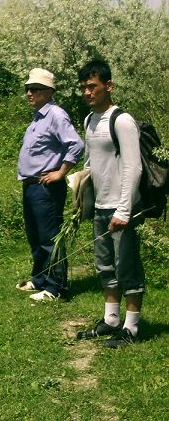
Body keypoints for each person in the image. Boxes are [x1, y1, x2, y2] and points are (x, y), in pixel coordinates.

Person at [76, 59, 145, 348]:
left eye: (92, 86)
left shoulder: (122, 120)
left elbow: (134, 168)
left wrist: (124, 211)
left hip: (121, 209)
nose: (87, 93)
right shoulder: (89, 121)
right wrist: (84, 200)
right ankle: (111, 320)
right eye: (83, 88)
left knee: (126, 266)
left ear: (109, 86)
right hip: (101, 207)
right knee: (105, 266)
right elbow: (91, 165)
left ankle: (132, 328)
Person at [16, 68, 84, 301]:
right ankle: (40, 279)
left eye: (35, 89)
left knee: (49, 237)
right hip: (32, 185)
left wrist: (61, 172)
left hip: (46, 187)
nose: (29, 93)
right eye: (28, 89)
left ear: (48, 91)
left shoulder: (56, 115)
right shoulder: (38, 117)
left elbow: (76, 145)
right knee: (35, 235)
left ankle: (56, 288)